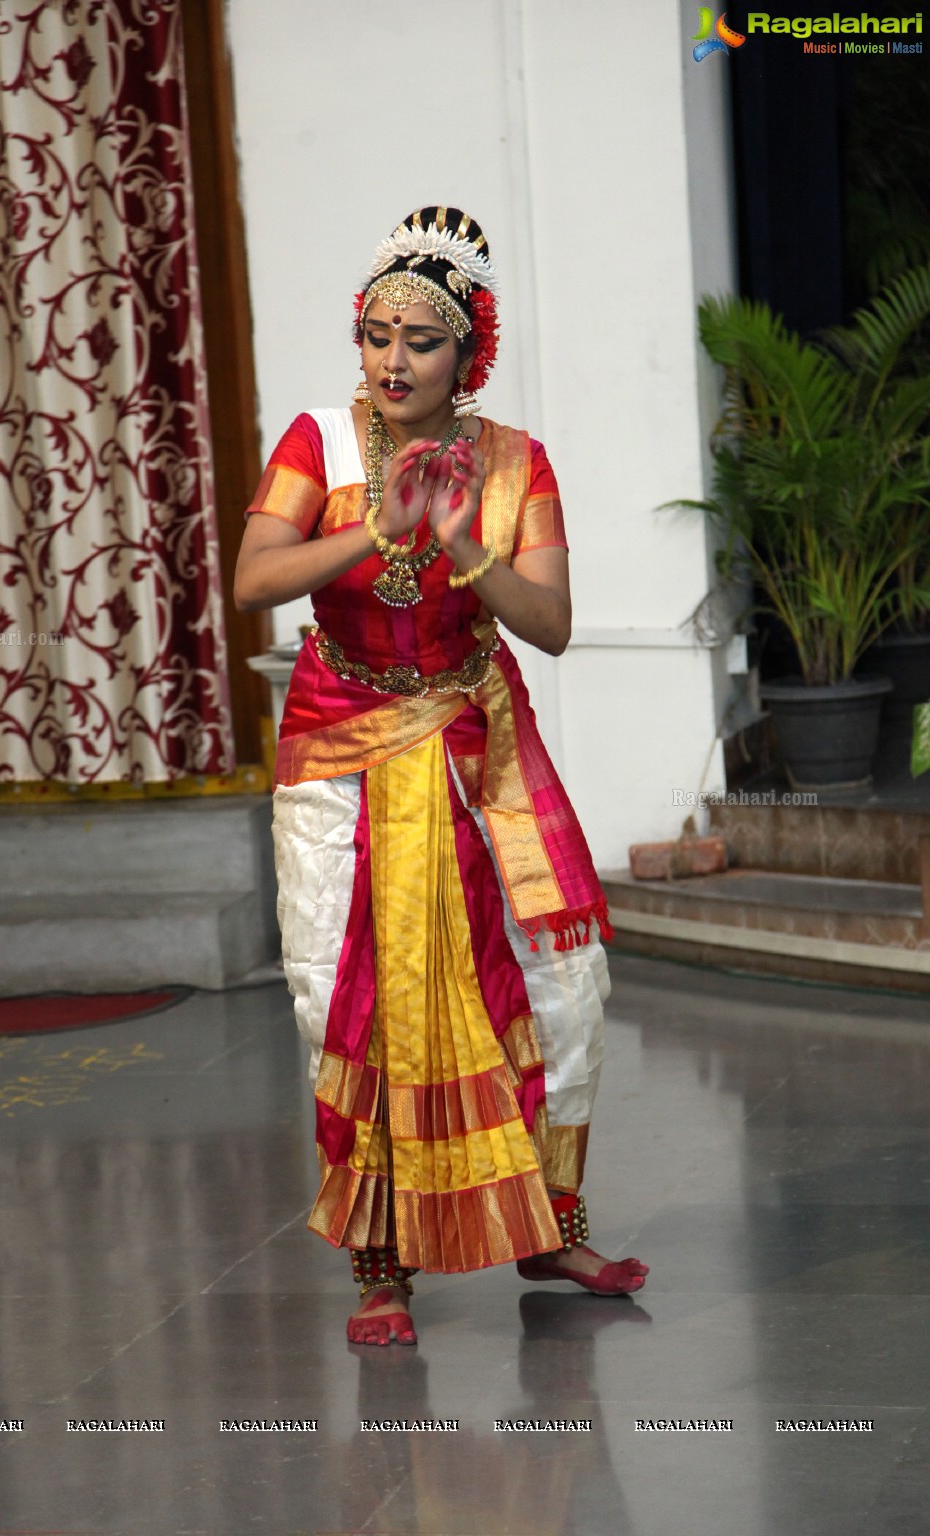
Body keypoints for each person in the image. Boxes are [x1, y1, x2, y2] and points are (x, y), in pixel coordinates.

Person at [234, 206, 648, 1347]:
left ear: (469, 356)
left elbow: (551, 623)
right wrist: (378, 532)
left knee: (563, 986)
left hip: (480, 741)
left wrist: (465, 547)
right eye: (377, 335)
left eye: (421, 341)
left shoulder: (516, 462)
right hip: (343, 747)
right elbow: (252, 581)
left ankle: (545, 1225)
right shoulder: (317, 444)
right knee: (345, 1001)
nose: (393, 360)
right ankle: (383, 1263)